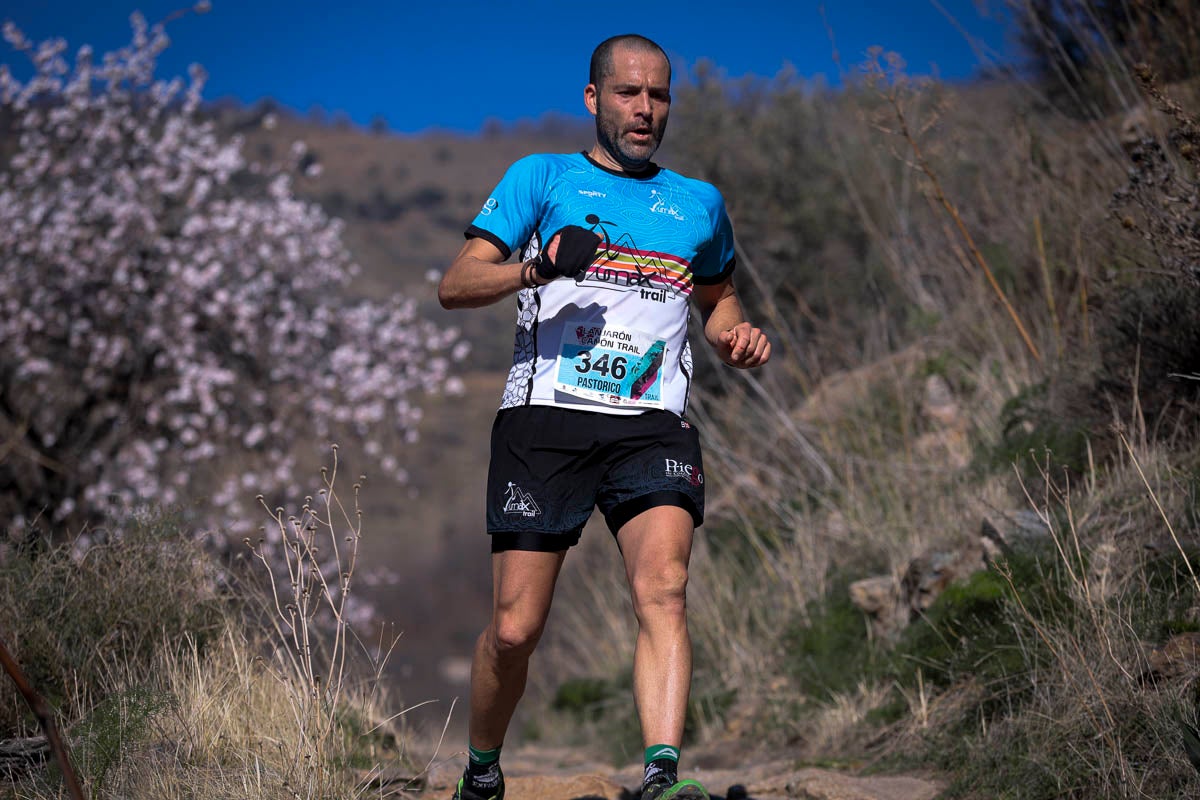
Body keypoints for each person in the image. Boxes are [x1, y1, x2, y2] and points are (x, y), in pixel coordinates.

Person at [437, 33, 770, 800]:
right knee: (516, 629)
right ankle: (482, 771)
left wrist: (735, 336)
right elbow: (457, 285)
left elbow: (717, 299)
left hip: (652, 423)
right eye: (629, 93)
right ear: (594, 99)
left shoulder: (698, 203)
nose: (645, 109)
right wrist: (540, 266)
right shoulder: (540, 178)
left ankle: (661, 775)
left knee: (665, 589)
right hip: (545, 420)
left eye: (658, 95)